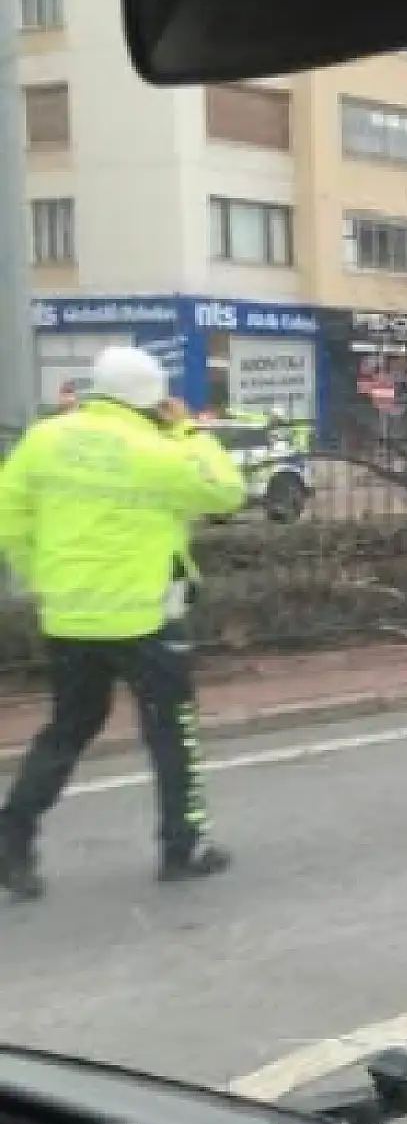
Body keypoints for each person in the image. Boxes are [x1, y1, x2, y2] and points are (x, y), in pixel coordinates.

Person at [0, 347, 246, 899]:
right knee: (170, 731)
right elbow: (225, 490)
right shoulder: (155, 449)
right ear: (152, 397)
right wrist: (189, 432)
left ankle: (12, 836)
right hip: (145, 619)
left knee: (68, 728)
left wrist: (43, 574)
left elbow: (8, 517)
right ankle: (183, 848)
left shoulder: (46, 438)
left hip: (69, 614)